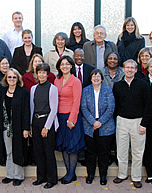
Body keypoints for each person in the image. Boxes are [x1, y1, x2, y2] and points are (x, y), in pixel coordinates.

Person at [112, 59, 151, 189]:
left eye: (132, 68)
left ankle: (136, 177)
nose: (129, 70)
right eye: (127, 67)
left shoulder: (143, 85)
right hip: (122, 121)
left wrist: (144, 123)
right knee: (121, 151)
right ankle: (122, 174)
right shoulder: (117, 85)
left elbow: (148, 106)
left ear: (136, 70)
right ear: (123, 69)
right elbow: (115, 105)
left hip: (138, 122)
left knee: (137, 151)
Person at [0, 68, 30, 186]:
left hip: (19, 128)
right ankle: (10, 175)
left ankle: (18, 176)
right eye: (9, 77)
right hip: (5, 127)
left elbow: (26, 111)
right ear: (6, 79)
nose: (12, 79)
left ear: (18, 78)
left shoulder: (23, 92)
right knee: (9, 151)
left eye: (14, 77)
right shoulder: (2, 92)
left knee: (18, 151)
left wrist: (26, 128)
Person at [81, 69, 115, 185]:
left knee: (104, 153)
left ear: (101, 78)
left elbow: (111, 108)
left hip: (105, 126)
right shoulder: (85, 91)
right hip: (89, 126)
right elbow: (83, 108)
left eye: (98, 76)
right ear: (91, 78)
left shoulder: (108, 91)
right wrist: (93, 122)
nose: (96, 78)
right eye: (94, 76)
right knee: (90, 153)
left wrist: (100, 122)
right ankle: (90, 175)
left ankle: (103, 176)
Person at [54, 56, 85, 184]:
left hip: (71, 117)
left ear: (71, 66)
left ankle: (71, 174)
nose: (65, 66)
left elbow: (77, 101)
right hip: (59, 117)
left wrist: (72, 119)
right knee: (64, 146)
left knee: (72, 146)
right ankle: (68, 173)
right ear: (59, 66)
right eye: (62, 64)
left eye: (67, 64)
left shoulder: (75, 81)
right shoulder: (57, 80)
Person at [30, 63, 59, 189]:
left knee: (48, 152)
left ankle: (51, 179)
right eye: (39, 72)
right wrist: (31, 125)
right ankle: (41, 177)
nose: (41, 75)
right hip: (36, 122)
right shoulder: (33, 88)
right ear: (36, 74)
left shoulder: (52, 88)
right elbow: (32, 107)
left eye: (44, 72)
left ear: (48, 74)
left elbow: (54, 110)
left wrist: (46, 127)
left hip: (48, 123)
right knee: (38, 152)